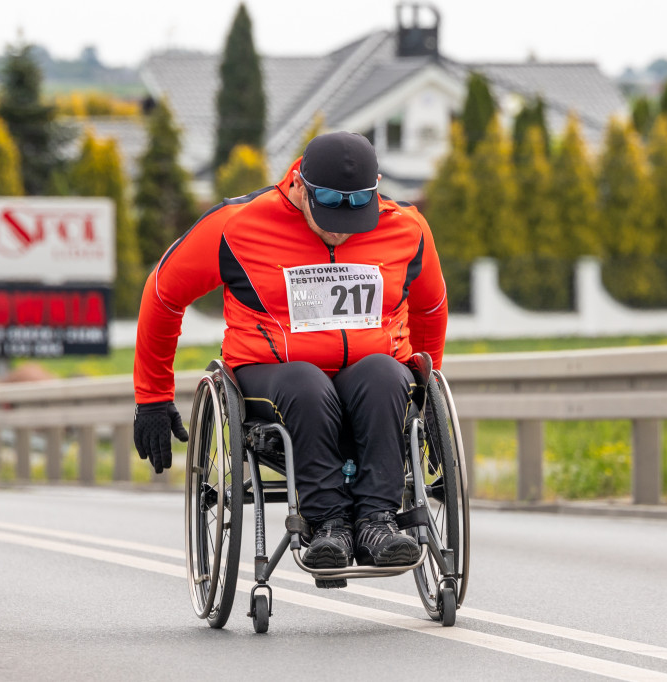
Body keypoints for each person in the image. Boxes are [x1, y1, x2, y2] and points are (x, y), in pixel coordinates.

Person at [133, 131, 447, 582]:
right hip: (274, 375)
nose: (339, 229)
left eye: (354, 216)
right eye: (328, 215)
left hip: (372, 375)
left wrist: (426, 391)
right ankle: (328, 525)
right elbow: (162, 293)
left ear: (376, 188)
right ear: (299, 184)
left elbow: (431, 307)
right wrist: (152, 397)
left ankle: (377, 522)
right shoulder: (237, 224)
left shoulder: (407, 228)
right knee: (306, 382)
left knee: (384, 374)